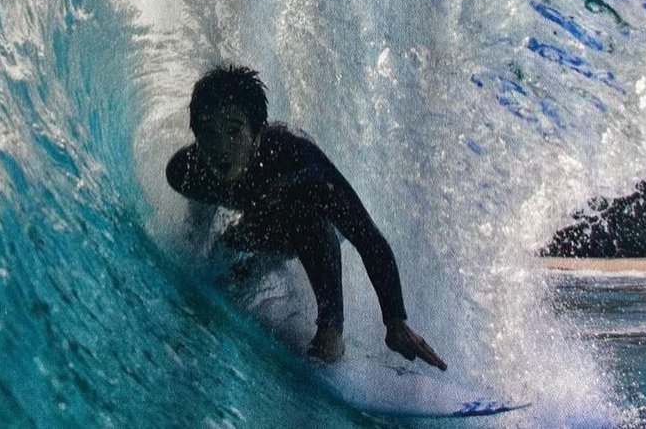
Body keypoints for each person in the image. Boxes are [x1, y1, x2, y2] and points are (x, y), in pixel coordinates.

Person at [167, 64, 447, 369]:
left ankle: (331, 334)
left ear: (256, 133)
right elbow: (198, 222)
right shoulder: (187, 171)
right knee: (228, 263)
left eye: (234, 132)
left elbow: (366, 236)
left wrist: (395, 321)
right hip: (260, 222)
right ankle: (255, 267)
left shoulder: (299, 161)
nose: (222, 148)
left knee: (303, 218)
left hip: (314, 221)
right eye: (209, 133)